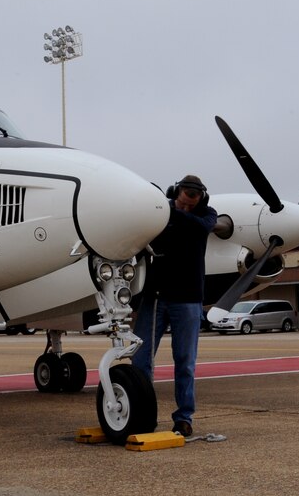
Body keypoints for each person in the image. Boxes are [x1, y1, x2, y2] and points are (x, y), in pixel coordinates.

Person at [132, 175, 217, 437]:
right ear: (177, 191)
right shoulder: (161, 211)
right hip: (155, 297)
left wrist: (168, 210)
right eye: (184, 195)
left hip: (189, 299)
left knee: (185, 362)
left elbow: (201, 228)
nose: (187, 201)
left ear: (201, 197)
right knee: (140, 359)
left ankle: (184, 417)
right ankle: (141, 414)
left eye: (193, 197)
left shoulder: (206, 215)